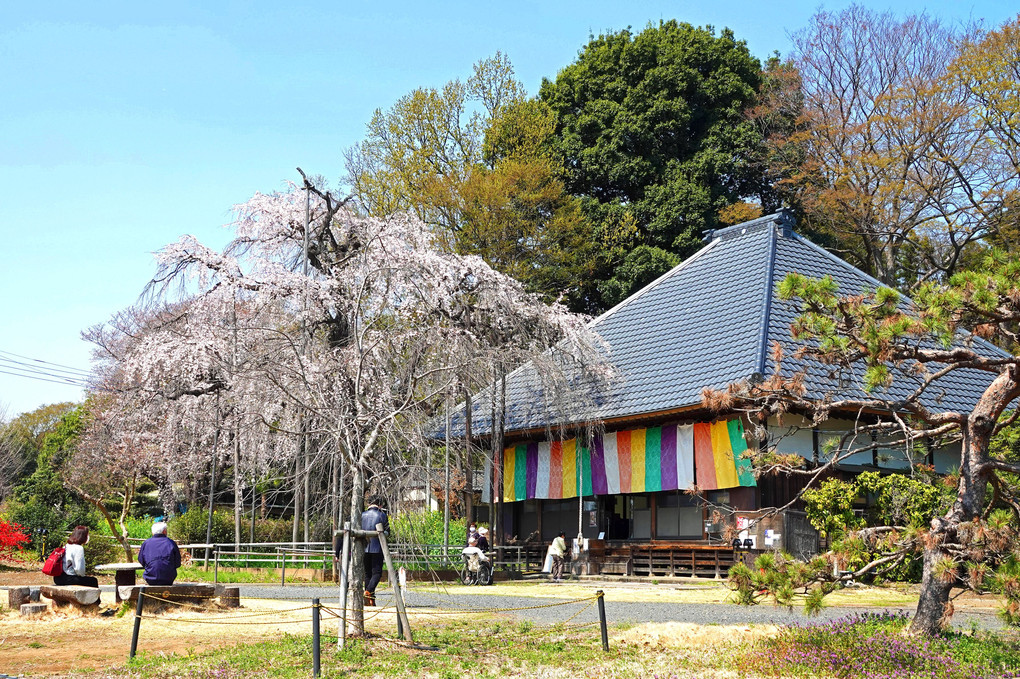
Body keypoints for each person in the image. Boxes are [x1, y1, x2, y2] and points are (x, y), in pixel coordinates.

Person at [53, 525, 101, 594]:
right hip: (68, 578)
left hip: (58, 578)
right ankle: (95, 603)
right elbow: (79, 570)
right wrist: (83, 576)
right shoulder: (78, 548)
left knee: (87, 580)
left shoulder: (66, 546)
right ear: (83, 536)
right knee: (93, 581)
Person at [361, 497, 389, 607]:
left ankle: (370, 600)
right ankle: (368, 591)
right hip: (377, 547)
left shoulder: (362, 515)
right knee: (377, 573)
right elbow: (387, 531)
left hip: (364, 547)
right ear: (379, 505)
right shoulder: (382, 515)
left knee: (367, 574)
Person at [137, 521, 182, 586]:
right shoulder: (171, 543)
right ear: (164, 531)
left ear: (152, 532)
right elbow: (177, 563)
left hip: (150, 578)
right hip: (169, 578)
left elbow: (141, 560)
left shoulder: (146, 543)